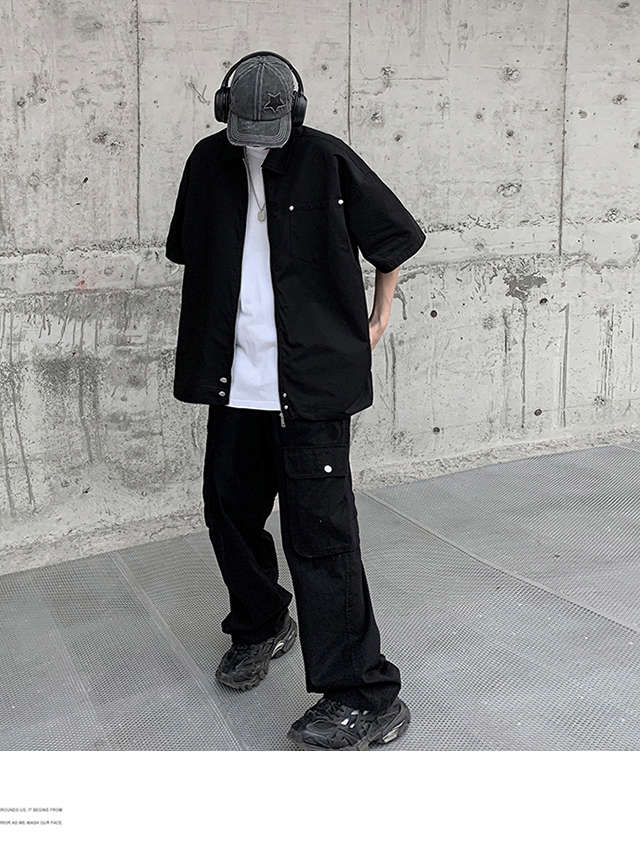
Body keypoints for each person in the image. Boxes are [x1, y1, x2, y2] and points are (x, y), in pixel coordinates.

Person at [165, 51, 426, 750]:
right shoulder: (206, 163)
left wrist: (379, 315)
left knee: (322, 537)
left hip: (309, 385)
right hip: (234, 383)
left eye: (268, 130)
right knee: (228, 510)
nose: (255, 142)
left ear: (295, 114)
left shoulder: (327, 160)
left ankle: (365, 694)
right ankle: (261, 624)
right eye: (244, 129)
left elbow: (396, 238)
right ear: (224, 113)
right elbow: (189, 249)